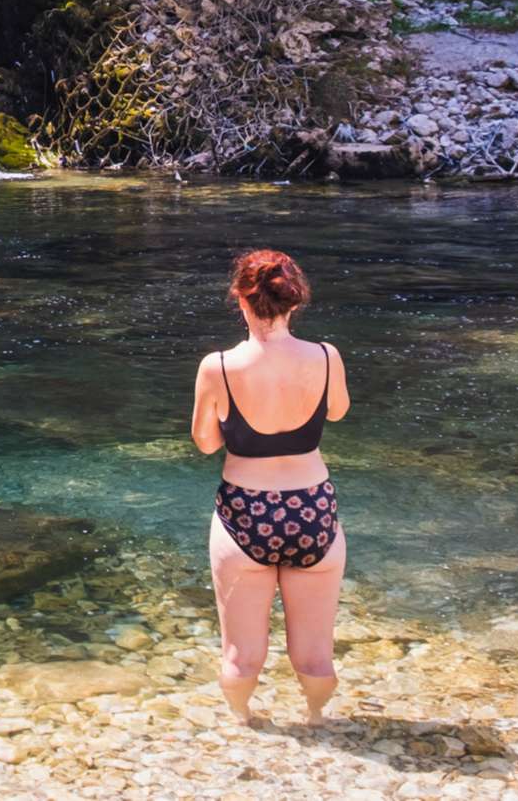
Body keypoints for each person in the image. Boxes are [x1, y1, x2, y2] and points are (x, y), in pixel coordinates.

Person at [189, 248, 350, 726]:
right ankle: (317, 720)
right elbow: (337, 411)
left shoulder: (217, 366)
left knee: (241, 656)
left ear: (241, 299)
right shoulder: (326, 356)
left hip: (244, 512)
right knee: (315, 657)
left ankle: (243, 723)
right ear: (293, 302)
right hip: (312, 508)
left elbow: (203, 442)